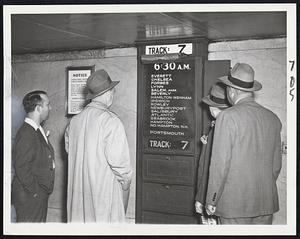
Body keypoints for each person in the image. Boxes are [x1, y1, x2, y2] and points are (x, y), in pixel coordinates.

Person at [205, 63, 282, 224]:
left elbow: (220, 165)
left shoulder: (227, 117)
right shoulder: (273, 118)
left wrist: (212, 199)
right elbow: (275, 167)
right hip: (265, 203)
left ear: (231, 91)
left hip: (234, 205)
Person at [65, 69, 133, 223]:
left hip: (78, 194)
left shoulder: (74, 121)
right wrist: (126, 183)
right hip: (102, 194)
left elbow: (70, 151)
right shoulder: (110, 121)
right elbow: (121, 167)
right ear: (109, 93)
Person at [12, 90, 55, 222]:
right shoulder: (27, 133)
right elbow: (21, 167)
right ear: (38, 108)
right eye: (48, 104)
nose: (50, 108)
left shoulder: (35, 129)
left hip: (35, 196)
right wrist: (36, 192)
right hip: (31, 197)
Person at [195, 83, 230, 225]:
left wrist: (202, 198)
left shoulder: (219, 127)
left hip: (212, 197)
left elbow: (211, 170)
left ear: (212, 108)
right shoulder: (221, 125)